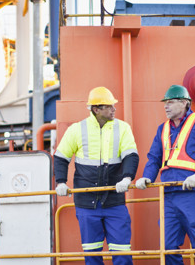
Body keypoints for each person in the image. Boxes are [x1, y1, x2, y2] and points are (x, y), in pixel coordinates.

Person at [135, 85, 195, 265]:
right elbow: (154, 157)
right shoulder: (163, 129)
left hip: (191, 193)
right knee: (167, 247)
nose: (166, 106)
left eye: (170, 102)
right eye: (165, 103)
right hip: (168, 195)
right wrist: (147, 177)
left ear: (184, 103)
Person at [54, 86, 139, 265]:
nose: (114, 109)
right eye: (109, 106)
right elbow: (61, 157)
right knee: (92, 255)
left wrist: (127, 178)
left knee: (122, 253)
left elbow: (131, 155)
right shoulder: (77, 129)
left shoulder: (122, 128)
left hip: (114, 202)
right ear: (96, 109)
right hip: (86, 204)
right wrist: (61, 182)